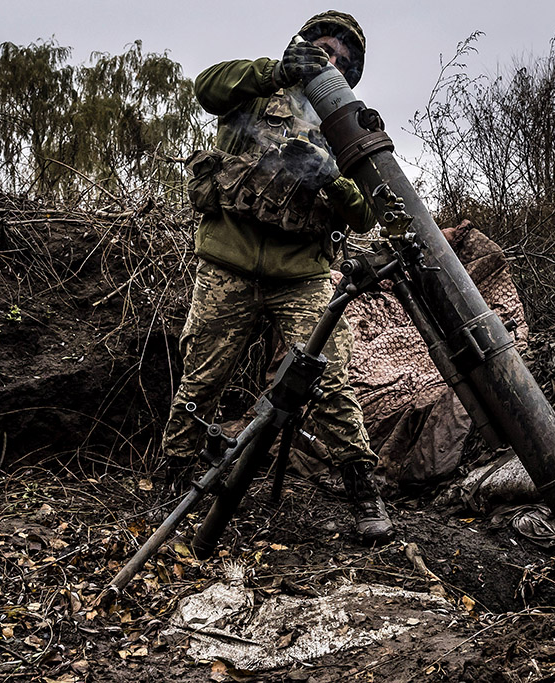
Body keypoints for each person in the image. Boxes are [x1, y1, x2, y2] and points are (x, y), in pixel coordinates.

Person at [161, 10, 394, 544]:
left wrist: (331, 177)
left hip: (303, 276)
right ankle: (174, 483)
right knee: (201, 379)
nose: (330, 61)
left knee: (330, 380)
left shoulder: (349, 127)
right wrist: (276, 71)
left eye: (342, 58)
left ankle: (364, 491)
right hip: (228, 265)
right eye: (322, 49)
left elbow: (367, 214)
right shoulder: (258, 89)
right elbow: (206, 87)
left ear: (352, 72)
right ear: (304, 49)